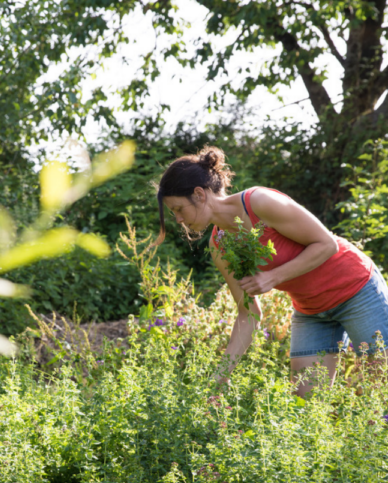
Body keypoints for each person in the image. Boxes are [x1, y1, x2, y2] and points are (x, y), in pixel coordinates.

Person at [155, 146, 388, 396]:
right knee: (305, 404)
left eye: (178, 209)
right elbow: (248, 314)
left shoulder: (259, 203)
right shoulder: (220, 244)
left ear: (199, 194)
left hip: (356, 289)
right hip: (311, 310)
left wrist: (272, 277)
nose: (178, 220)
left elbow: (327, 245)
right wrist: (221, 375)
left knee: (379, 391)